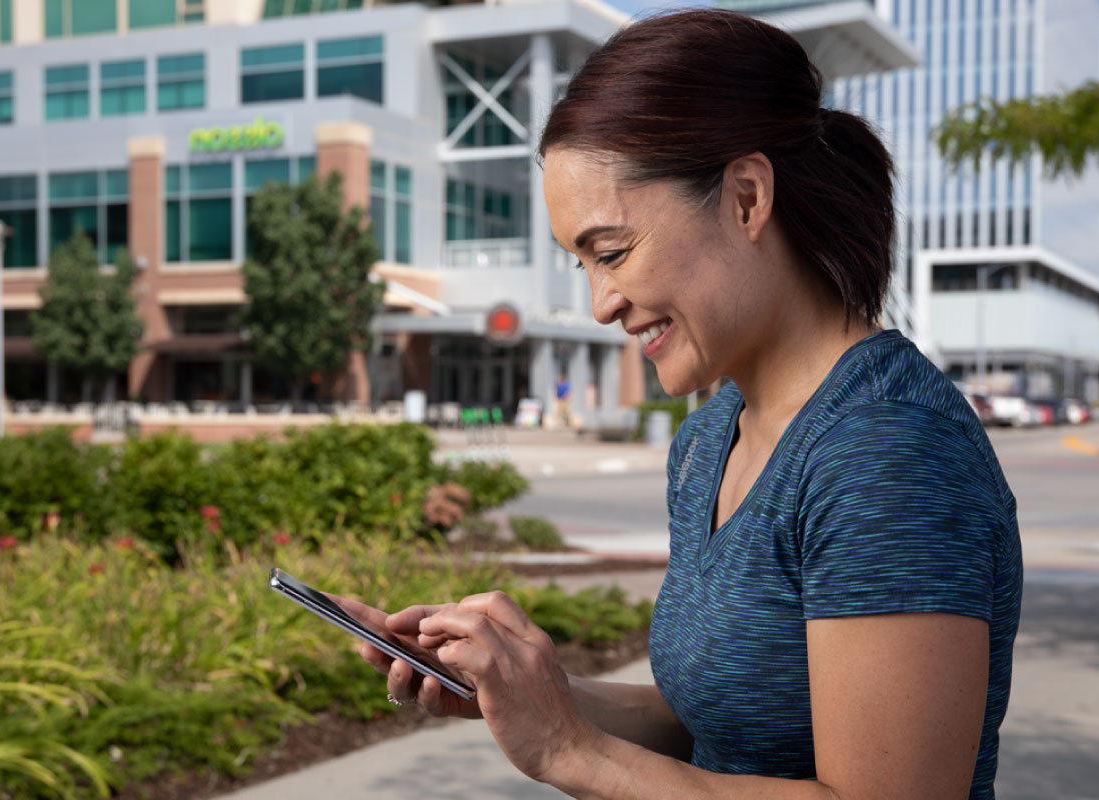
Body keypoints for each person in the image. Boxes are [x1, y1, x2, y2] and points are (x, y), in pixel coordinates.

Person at [340, 9, 1022, 799]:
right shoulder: (707, 443)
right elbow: (719, 722)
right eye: (582, 264)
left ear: (745, 197)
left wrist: (571, 750)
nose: (601, 303)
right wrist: (524, 691)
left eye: (613, 252)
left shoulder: (887, 454)